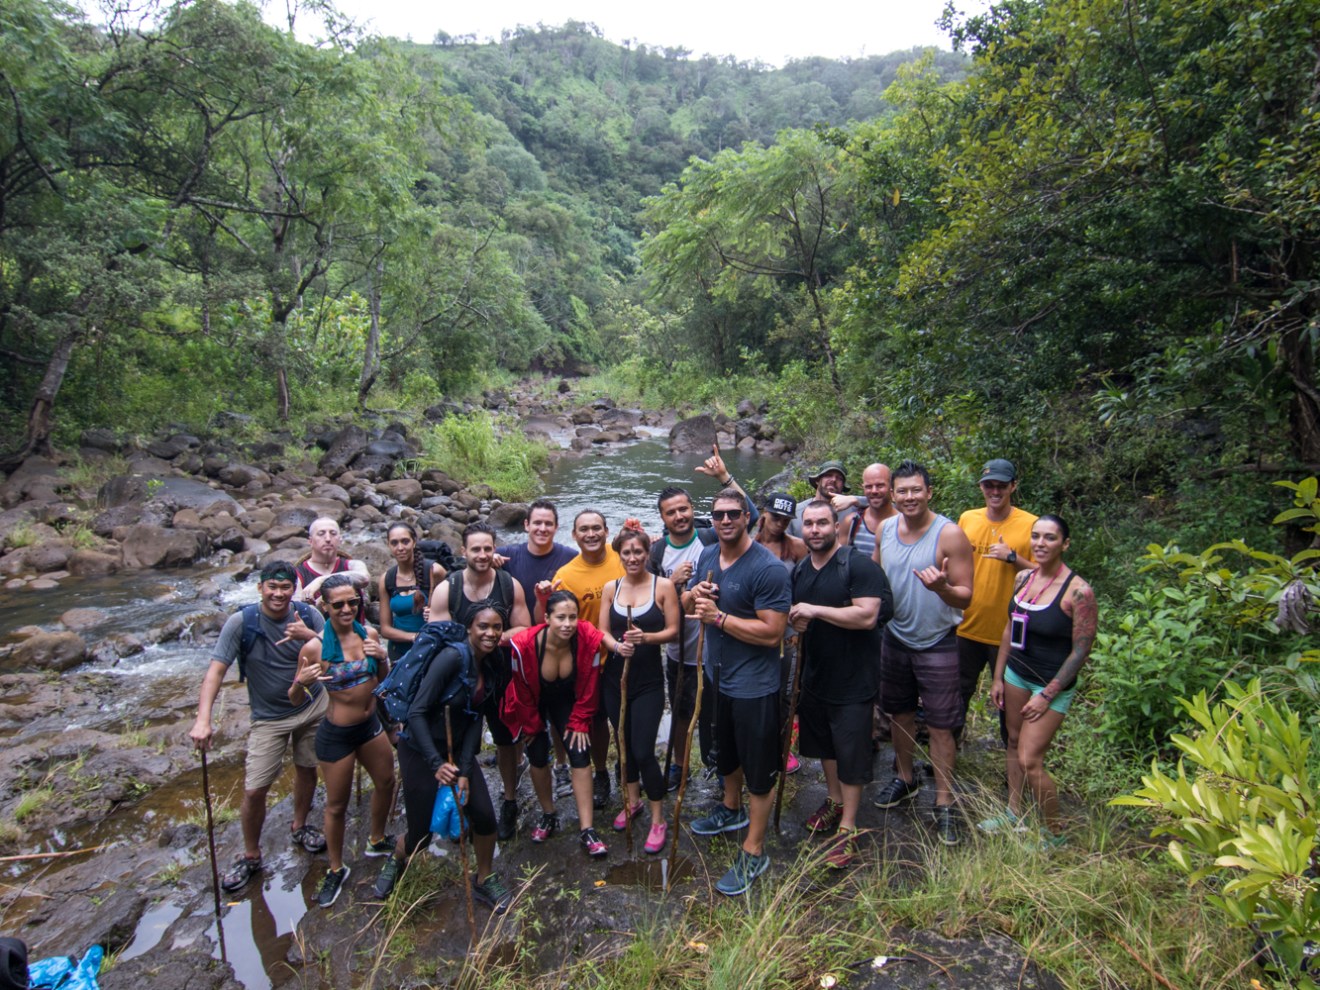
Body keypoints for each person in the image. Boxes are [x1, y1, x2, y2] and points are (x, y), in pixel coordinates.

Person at [189, 560, 327, 893]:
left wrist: (309, 635)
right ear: (260, 588)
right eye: (272, 587)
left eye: (285, 587)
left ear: (294, 588)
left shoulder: (309, 615)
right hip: (268, 717)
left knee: (307, 768)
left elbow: (334, 650)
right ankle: (251, 854)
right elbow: (216, 671)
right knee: (255, 788)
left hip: (312, 706)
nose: (278, 594)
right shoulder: (242, 622)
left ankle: (299, 825)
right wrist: (203, 719)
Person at [373, 603, 514, 913]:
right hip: (420, 747)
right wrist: (436, 764)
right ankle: (397, 857)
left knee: (484, 817)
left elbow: (476, 717)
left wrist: (464, 769)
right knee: (421, 834)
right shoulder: (452, 658)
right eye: (483, 627)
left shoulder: (493, 661)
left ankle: (485, 877)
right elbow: (417, 712)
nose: (490, 633)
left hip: (458, 746)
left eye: (497, 627)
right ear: (469, 628)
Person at [688, 488, 791, 897]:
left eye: (734, 513)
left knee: (759, 770)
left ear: (748, 517)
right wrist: (694, 595)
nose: (726, 520)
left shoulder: (768, 569)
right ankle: (731, 808)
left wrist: (719, 618)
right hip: (717, 678)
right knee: (725, 753)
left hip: (755, 686)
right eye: (718, 515)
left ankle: (754, 848)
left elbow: (772, 633)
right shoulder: (708, 555)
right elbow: (690, 600)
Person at [871, 461, 975, 846]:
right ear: (893, 495)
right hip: (895, 636)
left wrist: (943, 588)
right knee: (898, 713)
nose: (909, 497)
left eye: (916, 490)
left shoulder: (949, 535)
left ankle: (944, 801)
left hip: (938, 639)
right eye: (902, 491)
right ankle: (905, 776)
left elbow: (966, 596)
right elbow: (876, 577)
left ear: (929, 492)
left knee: (940, 724)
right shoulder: (885, 529)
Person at [647, 445, 759, 789]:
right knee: (682, 713)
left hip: (718, 649)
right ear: (662, 517)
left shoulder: (712, 535)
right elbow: (651, 604)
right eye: (671, 512)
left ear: (693, 509)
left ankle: (720, 765)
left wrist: (724, 477)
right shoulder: (657, 551)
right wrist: (672, 585)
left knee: (717, 713)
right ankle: (680, 766)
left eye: (684, 508)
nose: (679, 516)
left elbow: (751, 516)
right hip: (680, 651)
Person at [981, 516, 1096, 848]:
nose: (1041, 543)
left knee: (1031, 759)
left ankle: (1054, 832)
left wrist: (1047, 694)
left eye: (1050, 538)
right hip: (1016, 673)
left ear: (1065, 544)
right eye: (1036, 536)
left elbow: (1081, 651)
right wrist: (998, 676)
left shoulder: (1079, 592)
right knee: (1013, 742)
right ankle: (1013, 811)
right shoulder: (1023, 578)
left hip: (1050, 684)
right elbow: (1009, 628)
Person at [789, 500, 892, 868]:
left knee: (851, 752)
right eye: (809, 524)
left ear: (837, 526)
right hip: (816, 673)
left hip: (854, 677)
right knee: (826, 747)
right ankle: (833, 800)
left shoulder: (858, 566)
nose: (815, 530)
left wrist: (814, 611)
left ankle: (848, 826)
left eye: (822, 523)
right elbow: (798, 616)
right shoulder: (802, 569)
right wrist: (798, 621)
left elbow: (867, 616)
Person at [291, 575, 395, 908]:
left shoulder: (369, 635)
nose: (347, 609)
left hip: (370, 725)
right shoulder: (315, 648)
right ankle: (336, 868)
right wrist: (301, 683)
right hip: (337, 733)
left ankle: (376, 839)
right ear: (325, 606)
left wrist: (382, 657)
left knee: (387, 782)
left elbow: (383, 683)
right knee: (336, 804)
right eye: (338, 605)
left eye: (353, 602)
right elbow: (294, 699)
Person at [429, 521, 532, 842]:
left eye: (488, 548)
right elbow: (436, 637)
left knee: (506, 740)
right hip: (460, 681)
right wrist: (475, 644)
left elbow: (524, 627)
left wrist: (492, 639)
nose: (483, 554)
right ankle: (463, 806)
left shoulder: (508, 584)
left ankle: (510, 800)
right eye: (476, 549)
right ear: (464, 551)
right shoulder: (447, 589)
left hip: (500, 676)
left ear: (494, 549)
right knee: (461, 745)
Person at [503, 590, 610, 858]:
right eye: (560, 617)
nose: (567, 624)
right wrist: (531, 726)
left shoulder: (588, 638)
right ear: (547, 618)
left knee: (580, 751)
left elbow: (590, 683)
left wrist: (580, 720)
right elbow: (521, 689)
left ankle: (587, 829)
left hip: (566, 698)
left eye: (573, 617)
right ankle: (548, 814)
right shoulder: (524, 645)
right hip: (533, 699)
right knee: (537, 753)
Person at [597, 528, 681, 854]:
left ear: (647, 553)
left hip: (648, 682)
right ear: (619, 555)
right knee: (624, 746)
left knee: (644, 750)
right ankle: (633, 801)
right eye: (626, 553)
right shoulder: (611, 588)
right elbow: (603, 632)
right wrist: (617, 646)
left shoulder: (663, 587)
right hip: (615, 679)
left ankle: (658, 818)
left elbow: (673, 631)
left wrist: (646, 638)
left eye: (638, 552)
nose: (632, 558)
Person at [495, 499, 578, 802]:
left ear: (557, 527)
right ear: (526, 525)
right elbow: (475, 566)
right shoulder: (507, 555)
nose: (542, 528)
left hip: (556, 648)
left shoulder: (569, 557)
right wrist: (490, 560)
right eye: (537, 523)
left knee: (557, 713)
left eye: (548, 523)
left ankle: (561, 763)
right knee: (520, 708)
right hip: (519, 649)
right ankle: (519, 759)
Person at [542, 510, 624, 811]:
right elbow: (557, 622)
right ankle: (601, 772)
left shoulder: (622, 557)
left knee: (624, 718)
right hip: (590, 660)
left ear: (607, 531)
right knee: (597, 721)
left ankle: (626, 767)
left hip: (625, 652)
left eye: (597, 528)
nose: (591, 534)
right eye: (584, 529)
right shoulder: (566, 575)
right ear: (574, 535)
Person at [956, 459, 1036, 744]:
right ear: (981, 487)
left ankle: (1013, 758)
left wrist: (1013, 557)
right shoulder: (968, 519)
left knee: (1010, 703)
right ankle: (947, 754)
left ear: (1013, 486)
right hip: (966, 625)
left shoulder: (1031, 524)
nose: (995, 491)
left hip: (1009, 631)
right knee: (957, 696)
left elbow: (1046, 576)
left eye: (1001, 485)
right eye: (989, 485)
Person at [754, 492, 806, 775]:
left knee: (786, 693)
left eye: (786, 519)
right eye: (775, 517)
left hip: (788, 633)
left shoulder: (796, 547)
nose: (780, 523)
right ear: (764, 514)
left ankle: (783, 747)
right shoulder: (749, 545)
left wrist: (799, 617)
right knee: (758, 690)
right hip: (754, 630)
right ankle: (757, 745)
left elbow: (806, 586)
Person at [378, 522, 447, 662]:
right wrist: (414, 637)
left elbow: (452, 611)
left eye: (405, 541)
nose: (400, 548)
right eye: (394, 543)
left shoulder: (434, 572)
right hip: (398, 653)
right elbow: (385, 629)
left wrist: (436, 613)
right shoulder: (387, 579)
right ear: (388, 545)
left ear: (414, 542)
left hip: (431, 650)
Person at [293, 517, 370, 609]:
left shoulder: (353, 565)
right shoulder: (298, 573)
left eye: (333, 533)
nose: (328, 539)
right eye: (321, 534)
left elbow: (364, 578)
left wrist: (321, 581)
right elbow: (297, 607)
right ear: (310, 541)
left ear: (340, 540)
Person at [837, 463, 895, 558]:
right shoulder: (852, 523)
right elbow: (839, 561)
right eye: (869, 487)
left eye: (880, 486)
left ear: (891, 487)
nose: (874, 491)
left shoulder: (904, 523)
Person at [788, 460, 854, 538]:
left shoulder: (851, 512)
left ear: (843, 486)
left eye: (839, 478)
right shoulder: (796, 512)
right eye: (828, 475)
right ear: (817, 480)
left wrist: (854, 499)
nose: (834, 480)